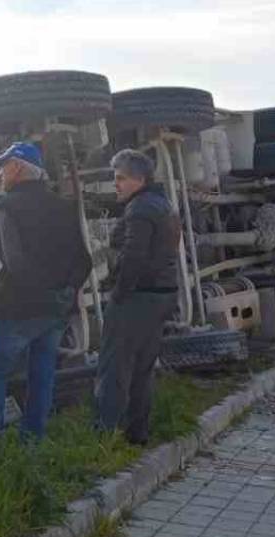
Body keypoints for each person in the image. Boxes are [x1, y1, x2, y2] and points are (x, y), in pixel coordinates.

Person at [0, 142, 92, 441]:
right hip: (56, 309)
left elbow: (15, 262)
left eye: (2, 167)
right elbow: (84, 260)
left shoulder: (5, 208)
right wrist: (64, 292)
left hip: (21, 306)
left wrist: (38, 292)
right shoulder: (64, 205)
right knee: (42, 373)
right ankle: (33, 438)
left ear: (17, 167)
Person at [95, 149, 182, 446]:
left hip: (138, 298)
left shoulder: (140, 209)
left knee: (114, 368)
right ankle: (137, 433)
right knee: (142, 369)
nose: (115, 184)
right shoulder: (163, 203)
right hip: (161, 295)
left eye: (121, 178)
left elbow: (133, 256)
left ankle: (104, 435)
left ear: (140, 179)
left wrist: (118, 294)